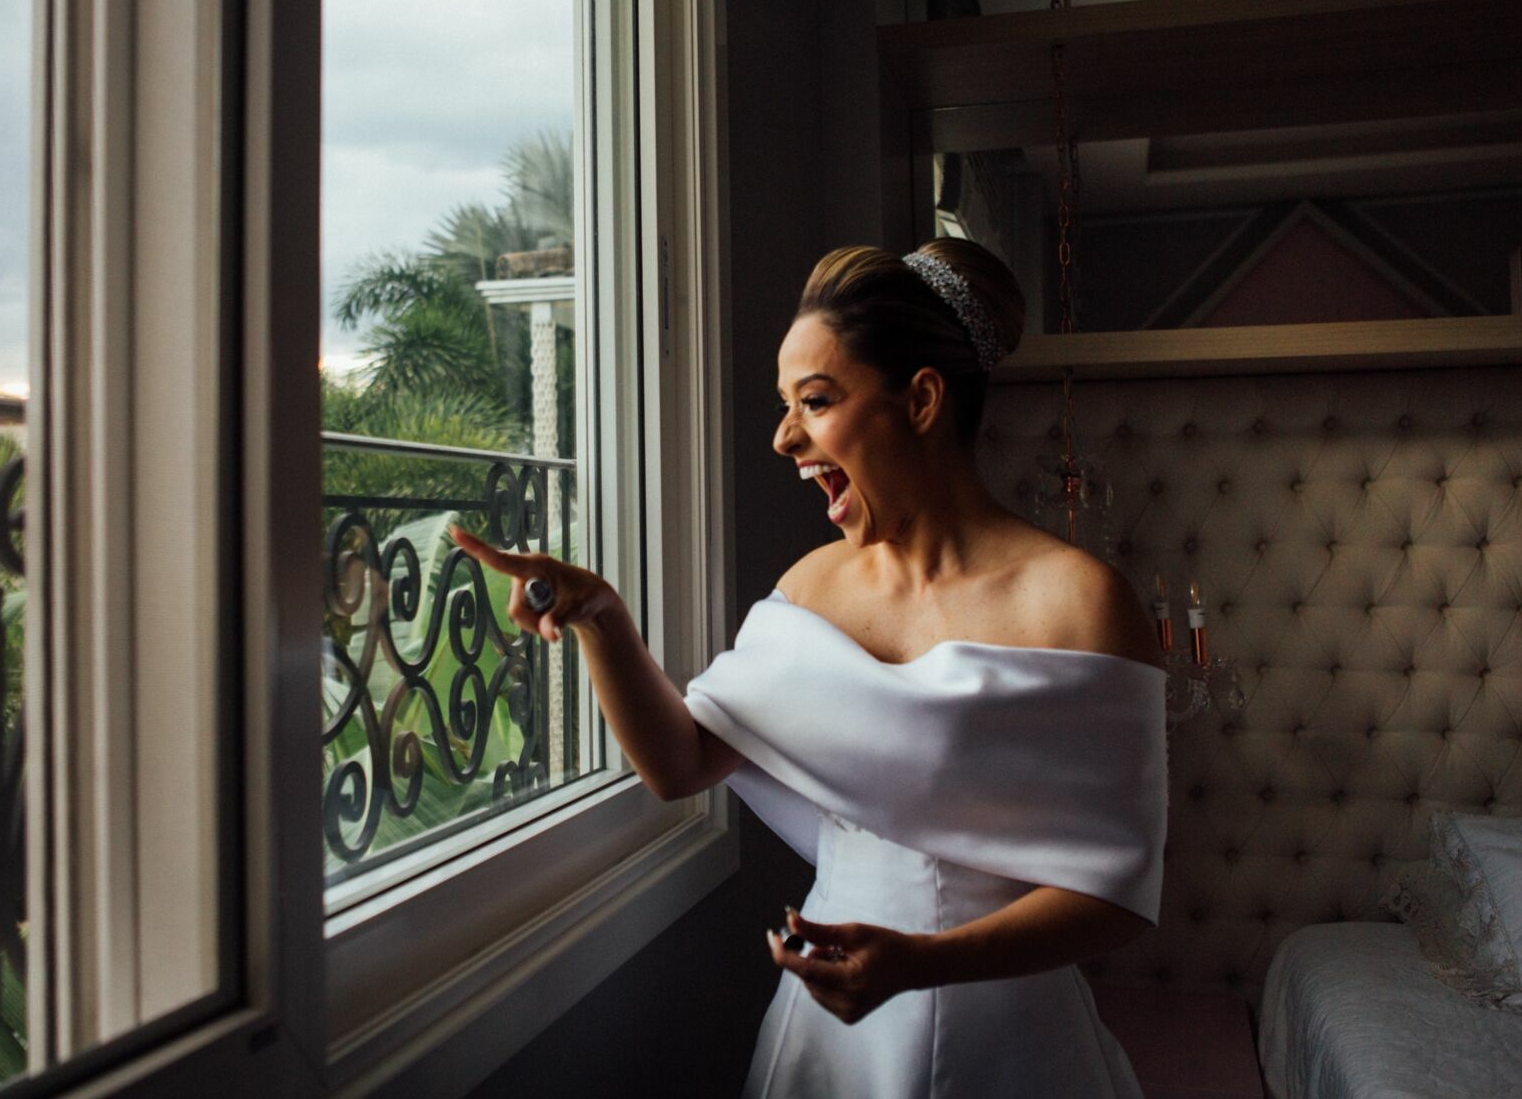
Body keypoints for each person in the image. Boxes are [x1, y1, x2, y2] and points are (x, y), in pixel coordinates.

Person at [450, 239, 1168, 1097]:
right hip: (832, 1041)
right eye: (785, 405)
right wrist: (603, 617)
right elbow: (680, 764)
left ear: (922, 400)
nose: (785, 437)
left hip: (1009, 1039)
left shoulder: (1083, 604)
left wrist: (923, 964)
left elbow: (1119, 896)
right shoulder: (808, 588)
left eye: (816, 402)